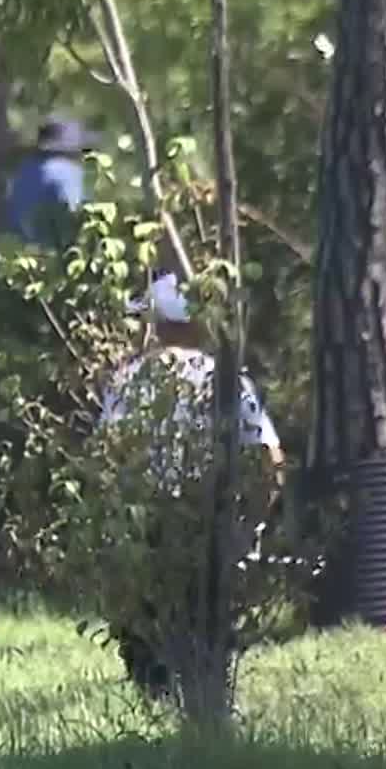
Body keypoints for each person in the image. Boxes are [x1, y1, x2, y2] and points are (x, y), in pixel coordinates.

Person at [96, 271, 286, 699]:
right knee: (209, 641)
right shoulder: (228, 380)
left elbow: (106, 459)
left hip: (147, 531)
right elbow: (270, 460)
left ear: (159, 324)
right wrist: (248, 525)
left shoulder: (129, 381)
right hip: (211, 526)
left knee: (148, 645)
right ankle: (207, 719)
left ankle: (162, 718)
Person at [5, 115, 94, 246]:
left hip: (18, 254)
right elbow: (76, 219)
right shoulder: (72, 174)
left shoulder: (23, 171)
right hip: (56, 256)